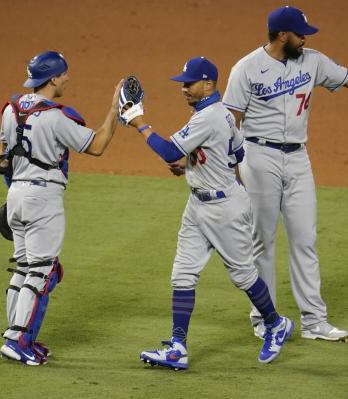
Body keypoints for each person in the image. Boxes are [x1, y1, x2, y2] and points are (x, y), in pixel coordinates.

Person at [223, 6, 348, 341]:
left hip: (298, 158)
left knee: (305, 239)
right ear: (281, 35)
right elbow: (229, 121)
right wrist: (230, 168)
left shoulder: (313, 61)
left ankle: (314, 321)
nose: (305, 38)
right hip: (258, 157)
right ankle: (266, 319)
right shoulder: (246, 69)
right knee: (262, 240)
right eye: (300, 33)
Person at [125, 57, 293, 369]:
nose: (184, 88)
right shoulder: (220, 115)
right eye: (183, 83)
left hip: (223, 209)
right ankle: (178, 348)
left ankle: (275, 324)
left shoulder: (210, 117)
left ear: (209, 84)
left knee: (242, 274)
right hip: (199, 204)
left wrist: (139, 123)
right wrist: (193, 165)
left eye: (189, 83)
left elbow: (169, 151)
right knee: (183, 274)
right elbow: (237, 152)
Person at [0, 51, 122, 365]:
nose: (67, 78)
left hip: (16, 194)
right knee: (42, 270)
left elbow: (5, 161)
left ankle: (15, 334)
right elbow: (96, 145)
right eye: (64, 74)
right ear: (53, 77)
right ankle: (17, 340)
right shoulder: (54, 116)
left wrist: (12, 197)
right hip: (43, 199)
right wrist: (114, 111)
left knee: (24, 267)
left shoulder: (10, 110)